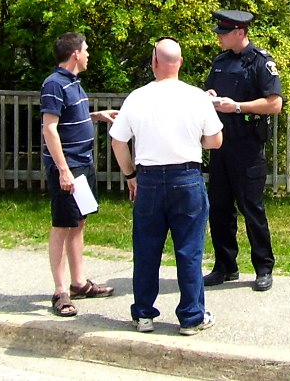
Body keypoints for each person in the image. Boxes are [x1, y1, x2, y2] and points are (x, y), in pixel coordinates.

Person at [109, 37, 223, 335]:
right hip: (187, 178)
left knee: (147, 249)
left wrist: (130, 175)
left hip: (148, 180)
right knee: (189, 250)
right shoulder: (196, 97)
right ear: (180, 63)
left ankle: (144, 313)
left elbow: (118, 141)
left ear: (154, 63)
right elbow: (215, 140)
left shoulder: (137, 97)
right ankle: (191, 316)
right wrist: (193, 141)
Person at [203, 10, 283, 292]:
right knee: (220, 209)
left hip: (247, 146)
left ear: (240, 32)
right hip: (221, 145)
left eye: (223, 33)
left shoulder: (261, 62)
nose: (219, 38)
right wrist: (211, 97)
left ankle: (263, 267)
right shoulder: (221, 62)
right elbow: (209, 91)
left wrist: (238, 106)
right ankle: (225, 266)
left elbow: (274, 104)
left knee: (252, 209)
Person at [40, 32, 117, 317]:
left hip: (82, 164)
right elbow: (50, 128)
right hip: (68, 167)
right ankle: (60, 292)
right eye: (85, 50)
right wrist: (63, 170)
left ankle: (79, 283)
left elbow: (71, 118)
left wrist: (96, 116)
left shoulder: (74, 84)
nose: (88, 55)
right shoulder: (54, 84)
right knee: (62, 224)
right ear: (74, 53)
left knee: (79, 221)